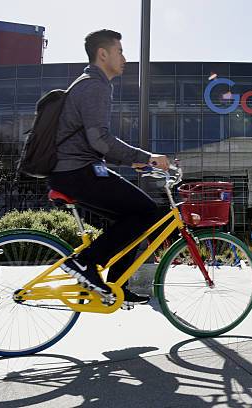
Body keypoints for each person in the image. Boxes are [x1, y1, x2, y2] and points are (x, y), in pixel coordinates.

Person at [49, 29, 170, 308]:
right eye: (120, 51)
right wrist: (147, 156)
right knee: (147, 210)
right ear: (103, 54)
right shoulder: (95, 85)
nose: (124, 58)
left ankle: (117, 283)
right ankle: (84, 263)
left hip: (76, 170)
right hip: (76, 172)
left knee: (134, 216)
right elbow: (99, 140)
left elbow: (91, 142)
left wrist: (132, 161)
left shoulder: (90, 83)